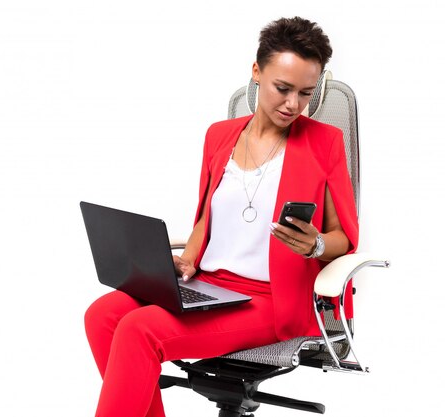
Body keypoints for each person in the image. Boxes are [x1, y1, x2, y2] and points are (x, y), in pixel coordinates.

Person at [84, 16, 358, 417]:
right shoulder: (220, 135)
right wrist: (187, 261)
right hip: (211, 288)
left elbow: (344, 238)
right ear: (256, 72)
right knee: (103, 315)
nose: (292, 104)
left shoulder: (325, 142)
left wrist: (315, 243)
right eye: (282, 88)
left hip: (268, 300)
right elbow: (206, 217)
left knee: (139, 330)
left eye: (305, 93)